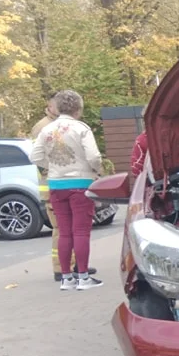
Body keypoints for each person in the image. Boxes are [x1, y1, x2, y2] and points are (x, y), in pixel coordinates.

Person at [30, 90, 104, 291]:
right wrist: (96, 170)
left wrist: (53, 166)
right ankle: (83, 276)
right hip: (80, 184)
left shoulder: (47, 129)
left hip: (56, 185)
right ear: (78, 109)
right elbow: (94, 156)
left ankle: (66, 278)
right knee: (81, 231)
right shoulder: (81, 128)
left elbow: (35, 156)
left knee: (64, 232)